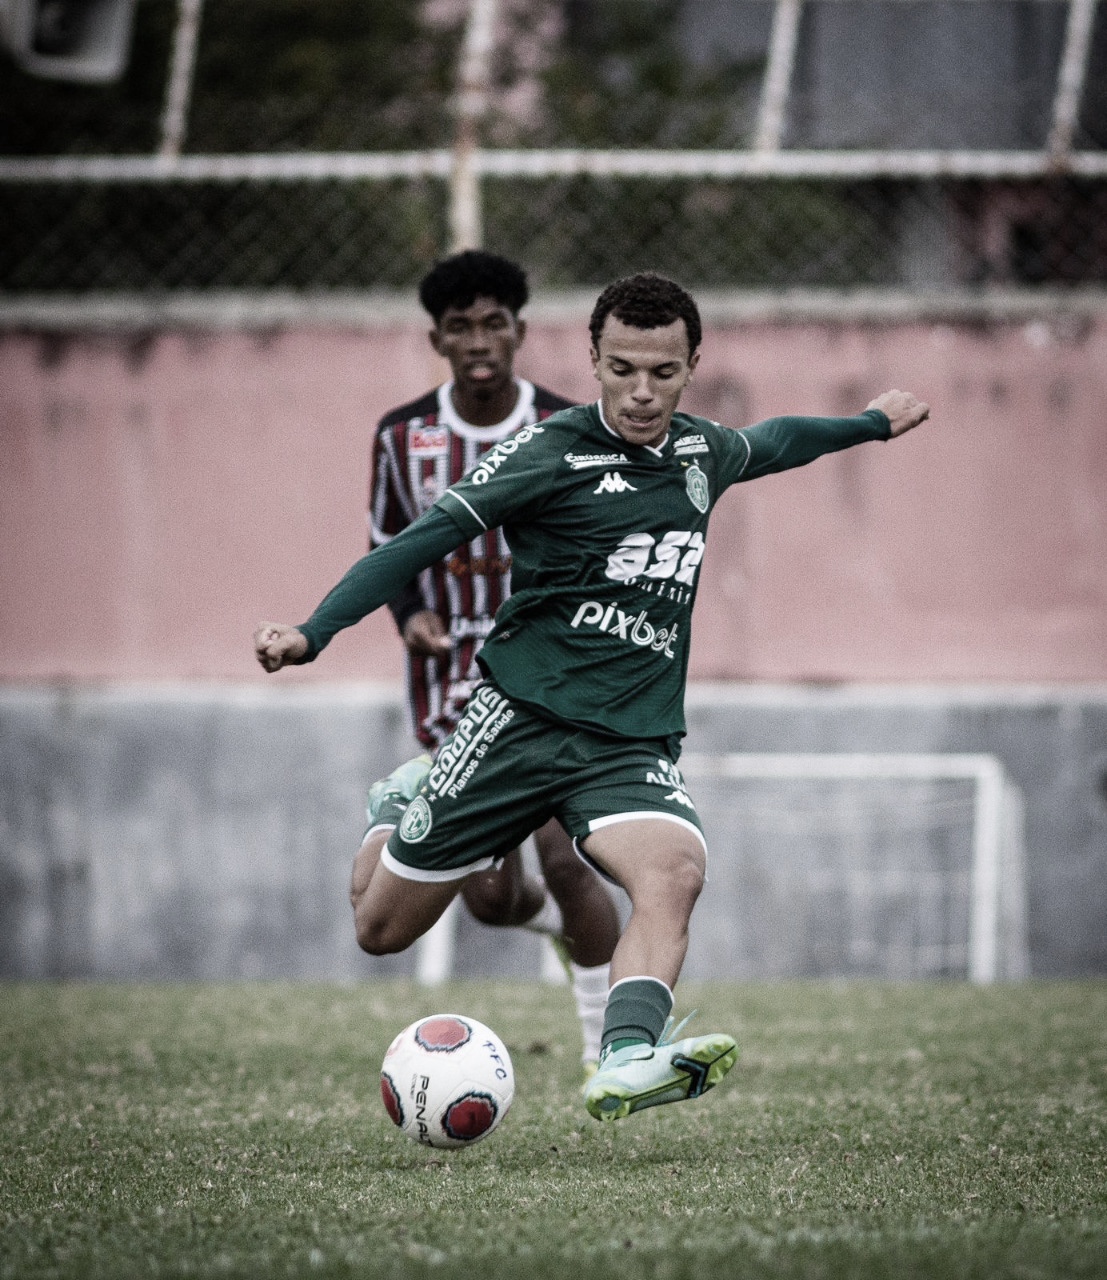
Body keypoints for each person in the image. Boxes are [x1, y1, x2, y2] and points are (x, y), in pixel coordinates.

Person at [255, 271, 931, 1122]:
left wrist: (870, 424)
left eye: (662, 372)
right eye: (621, 371)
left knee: (675, 871)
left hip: (625, 743)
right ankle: (402, 801)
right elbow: (418, 541)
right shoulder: (548, 453)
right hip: (516, 727)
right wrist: (315, 631)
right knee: (381, 930)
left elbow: (779, 439)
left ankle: (626, 1056)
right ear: (593, 361)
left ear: (691, 365)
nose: (641, 392)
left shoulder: (700, 452)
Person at [367, 249, 619, 1072]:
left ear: (517, 332)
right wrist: (411, 618)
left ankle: (605, 1052)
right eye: (459, 326)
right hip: (449, 695)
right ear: (437, 338)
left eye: (493, 324)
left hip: (542, 685)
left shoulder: (565, 427)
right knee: (491, 899)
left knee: (561, 853)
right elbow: (388, 547)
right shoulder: (402, 436)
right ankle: (552, 921)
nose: (478, 339)